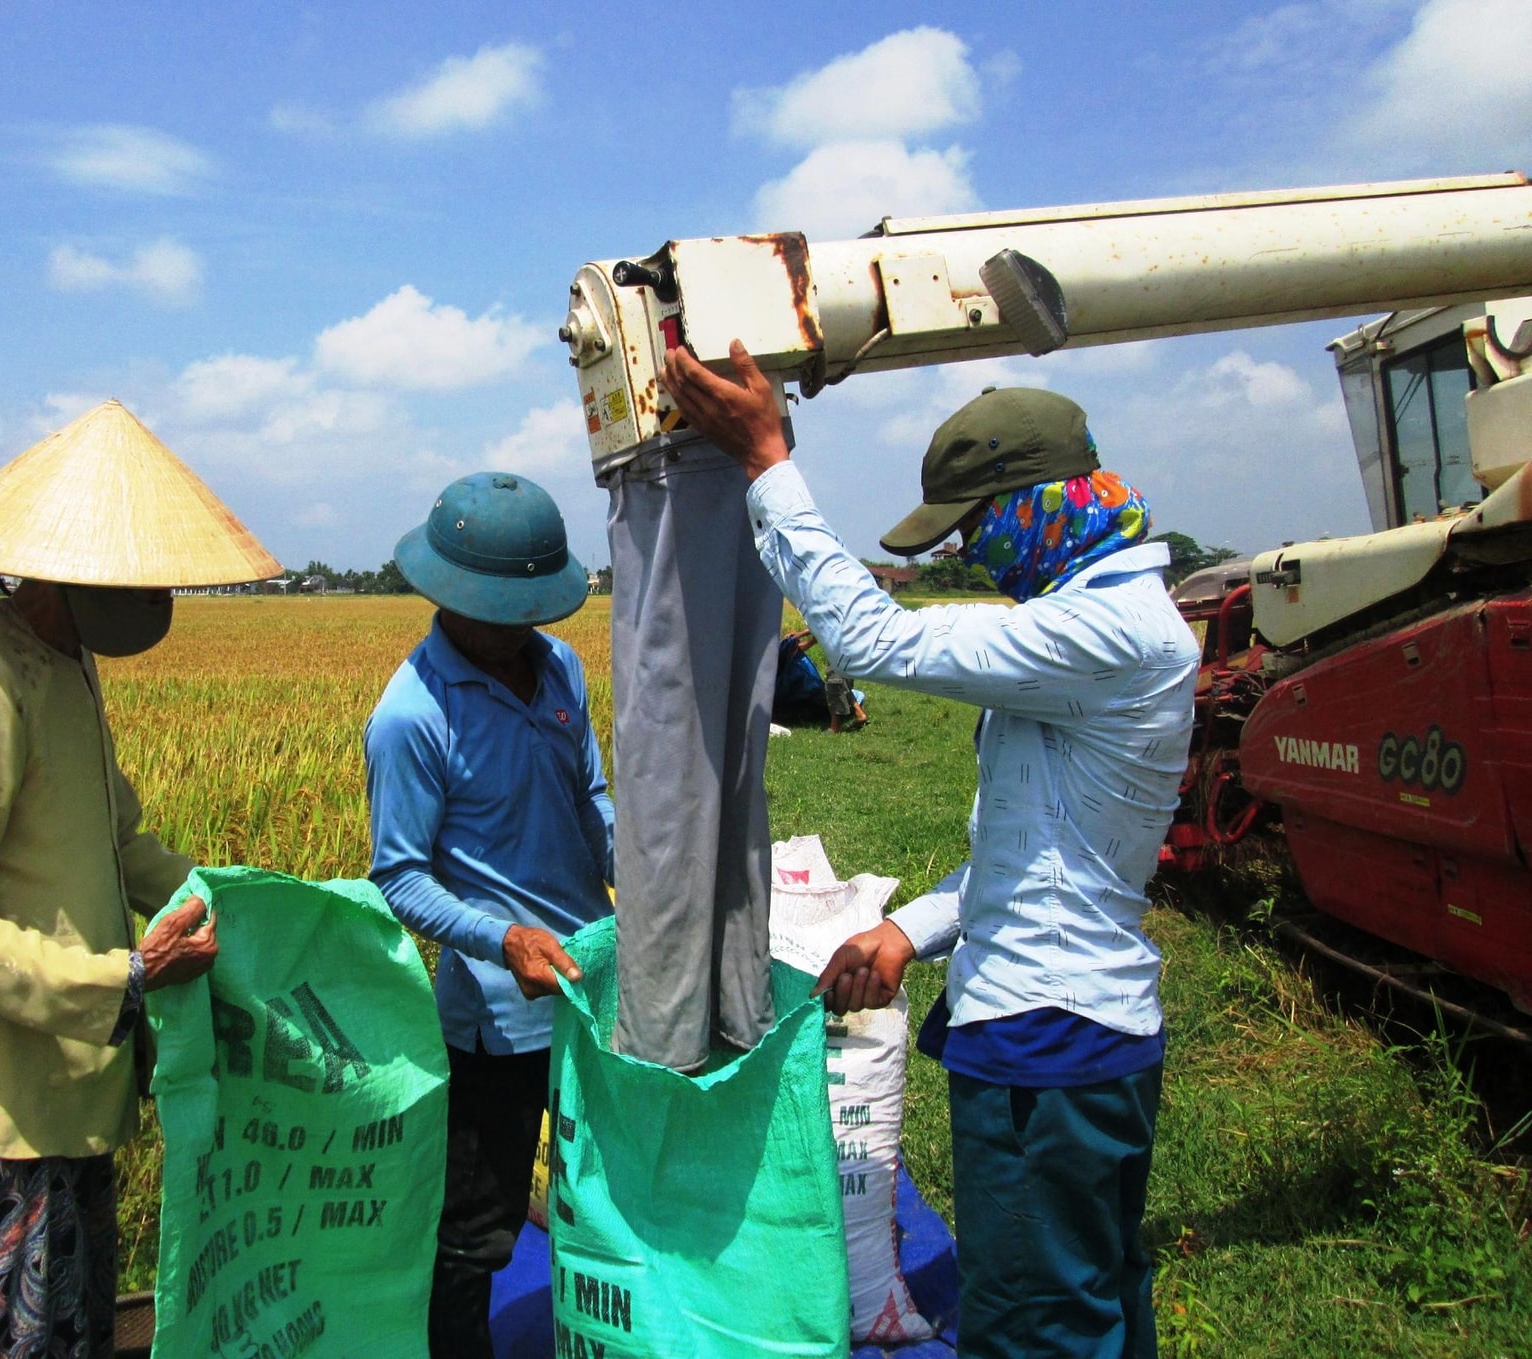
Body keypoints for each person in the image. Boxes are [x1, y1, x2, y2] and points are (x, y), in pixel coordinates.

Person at [663, 343, 1197, 1359]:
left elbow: (874, 641)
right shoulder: (1105, 621)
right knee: (1092, 1299)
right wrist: (905, 932)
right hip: (1083, 1030)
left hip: (1048, 1042)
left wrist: (768, 457)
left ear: (1035, 503)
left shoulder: (1106, 632)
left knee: (1032, 1322)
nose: (979, 553)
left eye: (978, 526)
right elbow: (1036, 863)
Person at [0, 399, 280, 1359]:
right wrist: (126, 979)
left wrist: (256, 900)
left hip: (74, 1090)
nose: (157, 602)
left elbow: (124, 843)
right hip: (4, 1114)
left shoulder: (65, 661)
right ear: (74, 572)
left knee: (73, 1334)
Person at [364, 471, 615, 1359]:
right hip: (494, 1021)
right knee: (477, 1229)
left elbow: (590, 799)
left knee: (604, 1195)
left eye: (531, 609)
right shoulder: (412, 716)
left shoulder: (561, 670)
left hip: (589, 992)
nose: (520, 628)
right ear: (448, 594)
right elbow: (398, 878)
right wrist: (500, 938)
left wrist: (650, 872)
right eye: (500, 609)